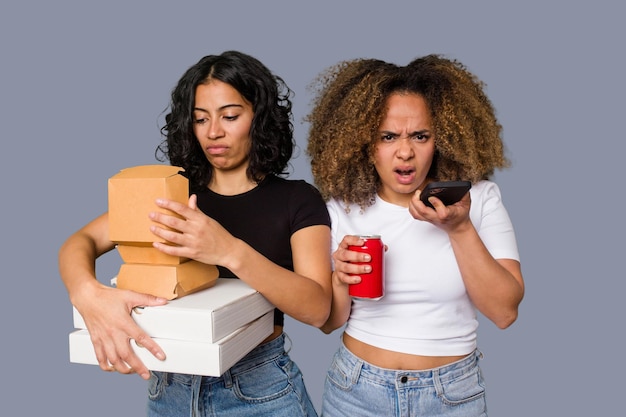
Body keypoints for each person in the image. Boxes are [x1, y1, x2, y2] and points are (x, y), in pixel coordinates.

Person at [59, 50, 332, 417]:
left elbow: (318, 309)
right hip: (170, 389)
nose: (213, 132)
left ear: (260, 118)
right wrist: (87, 293)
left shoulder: (296, 199)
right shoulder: (172, 194)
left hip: (260, 391)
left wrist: (228, 250)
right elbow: (81, 242)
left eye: (230, 116)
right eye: (200, 119)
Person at [305, 55, 525, 416]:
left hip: (451, 395)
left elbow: (505, 312)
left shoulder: (479, 200)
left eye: (420, 136)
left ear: (441, 139)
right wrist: (339, 278)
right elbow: (328, 323)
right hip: (355, 392)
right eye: (387, 137)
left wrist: (460, 227)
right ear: (363, 144)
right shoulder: (340, 209)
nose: (405, 152)